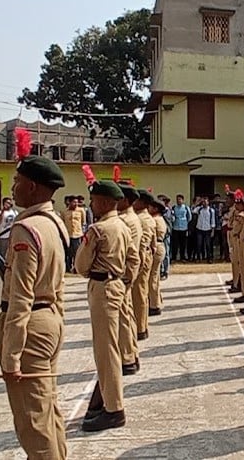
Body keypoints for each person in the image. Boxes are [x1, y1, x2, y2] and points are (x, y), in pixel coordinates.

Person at [0, 153, 69, 458]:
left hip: (30, 328)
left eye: (17, 181)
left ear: (32, 187)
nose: (13, 187)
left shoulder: (27, 229)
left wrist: (11, 354)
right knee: (48, 411)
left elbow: (21, 296)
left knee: (33, 423)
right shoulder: (55, 223)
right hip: (49, 319)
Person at [76, 180, 139, 432]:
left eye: (93, 201)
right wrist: (125, 283)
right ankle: (104, 400)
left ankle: (113, 408)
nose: (91, 205)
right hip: (116, 286)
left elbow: (81, 267)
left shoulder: (98, 229)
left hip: (102, 287)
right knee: (110, 346)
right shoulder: (123, 226)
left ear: (102, 202)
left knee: (106, 351)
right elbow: (133, 259)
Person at [117, 184, 142, 375]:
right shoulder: (129, 218)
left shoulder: (126, 220)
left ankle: (127, 358)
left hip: (122, 271)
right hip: (125, 271)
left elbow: (127, 251)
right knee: (127, 314)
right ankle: (131, 353)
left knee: (123, 316)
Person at [133, 190, 157, 340]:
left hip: (141, 256)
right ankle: (142, 325)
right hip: (147, 255)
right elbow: (153, 241)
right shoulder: (149, 218)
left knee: (139, 294)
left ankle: (140, 328)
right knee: (142, 291)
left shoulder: (141, 219)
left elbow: (143, 243)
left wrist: (139, 262)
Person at [148, 197, 167, 316]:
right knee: (155, 277)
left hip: (156, 246)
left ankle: (154, 305)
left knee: (152, 278)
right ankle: (156, 301)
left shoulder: (154, 220)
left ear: (155, 208)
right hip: (159, 246)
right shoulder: (159, 219)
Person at [61, 196, 85, 273]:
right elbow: (63, 223)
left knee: (77, 253)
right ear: (69, 202)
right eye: (74, 202)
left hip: (77, 234)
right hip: (68, 235)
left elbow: (83, 222)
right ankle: (67, 268)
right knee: (68, 253)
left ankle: (76, 268)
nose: (76, 204)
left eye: (77, 202)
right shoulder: (64, 212)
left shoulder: (81, 211)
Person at [194, 197, 215, 263]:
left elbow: (213, 220)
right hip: (199, 229)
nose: (204, 203)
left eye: (206, 202)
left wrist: (212, 230)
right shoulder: (199, 209)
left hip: (208, 229)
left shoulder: (211, 210)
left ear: (208, 202)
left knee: (208, 245)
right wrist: (197, 203)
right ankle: (198, 258)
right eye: (203, 202)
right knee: (199, 244)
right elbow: (193, 211)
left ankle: (209, 258)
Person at [171, 195, 191, 262]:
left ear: (182, 200)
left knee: (183, 243)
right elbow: (172, 216)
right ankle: (174, 257)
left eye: (180, 199)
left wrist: (185, 223)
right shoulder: (174, 207)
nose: (178, 201)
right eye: (177, 199)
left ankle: (182, 257)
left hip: (184, 228)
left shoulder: (186, 207)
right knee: (175, 244)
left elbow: (189, 217)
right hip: (176, 228)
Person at [159, 195, 172, 280]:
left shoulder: (167, 211)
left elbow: (167, 218)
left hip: (166, 234)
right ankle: (160, 270)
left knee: (166, 253)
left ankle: (166, 271)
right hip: (159, 234)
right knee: (160, 253)